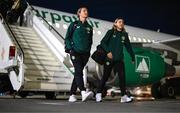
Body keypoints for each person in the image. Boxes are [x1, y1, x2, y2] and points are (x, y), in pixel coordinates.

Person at [95, 18, 135, 103]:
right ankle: (98, 93)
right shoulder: (111, 32)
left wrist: (132, 57)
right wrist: (108, 52)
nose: (121, 23)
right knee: (105, 76)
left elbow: (129, 47)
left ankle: (123, 96)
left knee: (122, 77)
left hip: (119, 59)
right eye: (119, 22)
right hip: (109, 59)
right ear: (115, 24)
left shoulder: (125, 35)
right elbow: (103, 42)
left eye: (122, 22)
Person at [64, 7, 93, 102]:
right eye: (84, 11)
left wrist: (88, 52)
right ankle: (83, 92)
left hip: (85, 54)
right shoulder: (74, 25)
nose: (86, 12)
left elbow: (90, 41)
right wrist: (70, 48)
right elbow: (67, 37)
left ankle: (72, 95)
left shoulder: (89, 27)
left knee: (77, 73)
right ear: (79, 13)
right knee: (79, 71)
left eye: (86, 11)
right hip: (75, 52)